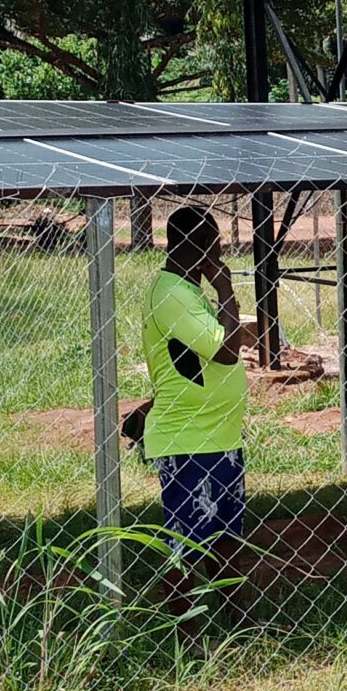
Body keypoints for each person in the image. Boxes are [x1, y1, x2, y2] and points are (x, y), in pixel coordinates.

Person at [123, 202, 250, 574]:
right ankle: (185, 614)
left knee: (226, 540)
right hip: (189, 440)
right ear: (206, 246)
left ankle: (230, 609)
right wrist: (225, 287)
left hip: (218, 436)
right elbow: (226, 351)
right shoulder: (172, 294)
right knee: (186, 550)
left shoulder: (186, 291)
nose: (220, 253)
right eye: (217, 244)